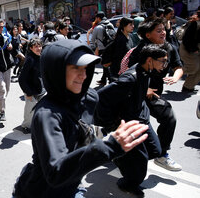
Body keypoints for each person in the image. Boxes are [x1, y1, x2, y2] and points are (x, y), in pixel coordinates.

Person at [13, 39, 149, 198]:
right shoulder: (47, 114)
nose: (83, 75)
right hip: (43, 192)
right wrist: (109, 147)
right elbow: (55, 172)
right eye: (75, 68)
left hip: (73, 182)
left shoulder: (88, 97)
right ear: (56, 71)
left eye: (86, 68)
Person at [95, 44, 172, 196]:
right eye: (162, 61)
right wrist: (111, 123)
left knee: (155, 150)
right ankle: (128, 184)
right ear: (150, 60)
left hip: (142, 119)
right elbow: (101, 97)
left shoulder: (147, 71)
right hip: (129, 123)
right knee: (140, 164)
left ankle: (118, 154)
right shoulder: (130, 78)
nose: (165, 65)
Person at [125, 18, 184, 172]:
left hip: (154, 95)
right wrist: (145, 89)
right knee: (129, 125)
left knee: (169, 118)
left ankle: (162, 154)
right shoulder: (142, 50)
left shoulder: (169, 48)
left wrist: (175, 77)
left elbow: (179, 67)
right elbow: (130, 73)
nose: (163, 32)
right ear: (148, 35)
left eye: (164, 29)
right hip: (136, 94)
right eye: (158, 30)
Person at [18, 38, 44, 134]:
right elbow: (21, 79)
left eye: (40, 46)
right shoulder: (30, 60)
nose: (39, 48)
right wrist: (28, 92)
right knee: (30, 109)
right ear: (31, 48)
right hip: (30, 89)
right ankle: (25, 126)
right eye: (36, 46)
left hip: (40, 88)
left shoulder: (40, 57)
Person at [90, 11, 115, 86]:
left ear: (98, 18)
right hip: (110, 47)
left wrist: (95, 47)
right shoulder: (110, 24)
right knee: (107, 64)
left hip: (102, 49)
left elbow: (92, 40)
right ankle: (103, 79)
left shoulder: (98, 27)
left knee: (105, 65)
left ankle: (111, 80)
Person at [179, 7, 200, 93]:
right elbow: (187, 39)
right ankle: (175, 71)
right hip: (188, 49)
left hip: (195, 49)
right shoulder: (195, 24)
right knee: (193, 68)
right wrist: (194, 49)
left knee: (198, 69)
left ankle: (188, 87)